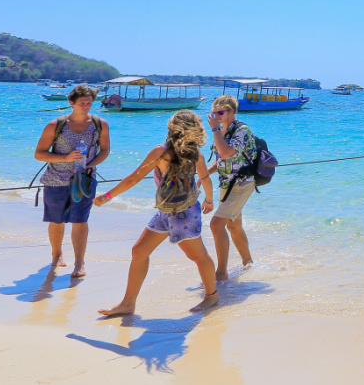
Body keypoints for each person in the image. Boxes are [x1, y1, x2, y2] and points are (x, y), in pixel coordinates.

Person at [94, 110, 217, 315]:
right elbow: (205, 179)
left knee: (198, 256)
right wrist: (209, 200)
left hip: (183, 214)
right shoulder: (196, 153)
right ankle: (128, 304)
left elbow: (133, 179)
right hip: (169, 210)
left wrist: (106, 196)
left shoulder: (161, 151)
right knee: (139, 251)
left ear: (172, 128)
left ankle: (212, 296)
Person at [33, 85, 110, 278]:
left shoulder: (99, 124)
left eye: (89, 103)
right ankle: (56, 254)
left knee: (80, 221)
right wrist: (66, 158)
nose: (85, 106)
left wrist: (90, 165)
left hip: (84, 181)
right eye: (82, 103)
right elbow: (39, 154)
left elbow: (104, 150)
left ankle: (79, 263)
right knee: (57, 220)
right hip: (56, 179)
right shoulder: (56, 125)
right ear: (71, 103)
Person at [207, 95, 258, 281]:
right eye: (215, 113)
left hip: (242, 184)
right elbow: (221, 159)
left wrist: (215, 130)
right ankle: (248, 263)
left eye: (221, 112)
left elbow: (226, 152)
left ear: (232, 111)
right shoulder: (222, 131)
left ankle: (221, 273)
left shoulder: (242, 130)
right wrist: (203, 175)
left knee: (216, 225)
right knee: (233, 226)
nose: (217, 116)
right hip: (227, 184)